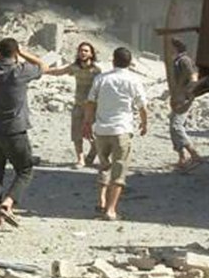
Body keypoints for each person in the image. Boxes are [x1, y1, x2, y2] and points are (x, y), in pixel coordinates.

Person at [0, 38, 48, 230]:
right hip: (15, 130)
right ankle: (7, 203)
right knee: (25, 169)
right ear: (15, 53)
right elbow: (42, 65)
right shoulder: (19, 72)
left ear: (0, 52)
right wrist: (21, 53)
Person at [83, 47, 148, 221]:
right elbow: (142, 105)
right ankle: (111, 210)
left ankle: (101, 200)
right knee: (119, 169)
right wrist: (144, 123)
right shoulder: (134, 80)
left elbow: (90, 102)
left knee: (104, 165)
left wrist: (87, 123)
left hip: (102, 130)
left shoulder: (101, 79)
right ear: (130, 62)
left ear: (113, 60)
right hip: (122, 129)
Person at [45, 42, 101, 167]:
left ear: (91, 53)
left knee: (93, 134)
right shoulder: (74, 67)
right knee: (76, 133)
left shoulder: (96, 71)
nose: (83, 53)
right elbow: (60, 71)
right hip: (78, 104)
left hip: (92, 107)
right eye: (81, 50)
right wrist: (45, 70)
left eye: (86, 51)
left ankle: (91, 155)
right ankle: (80, 159)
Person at [169, 38, 201, 169]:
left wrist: (186, 95)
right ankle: (182, 157)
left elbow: (193, 77)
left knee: (176, 126)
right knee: (173, 125)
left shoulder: (184, 60)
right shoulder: (178, 61)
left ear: (176, 48)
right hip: (179, 96)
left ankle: (194, 155)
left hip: (184, 98)